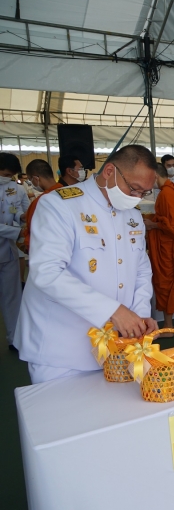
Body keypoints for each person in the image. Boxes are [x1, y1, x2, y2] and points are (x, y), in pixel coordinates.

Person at [16, 145, 158, 382]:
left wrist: (139, 315)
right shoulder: (60, 204)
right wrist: (113, 311)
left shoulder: (132, 215)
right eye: (134, 188)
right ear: (109, 171)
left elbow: (141, 269)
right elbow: (47, 272)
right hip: (63, 349)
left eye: (144, 193)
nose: (137, 198)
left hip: (117, 347)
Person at [144, 164, 174, 329]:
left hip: (168, 247)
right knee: (169, 283)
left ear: (154, 175)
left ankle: (168, 325)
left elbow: (171, 227)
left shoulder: (167, 193)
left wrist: (152, 224)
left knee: (166, 283)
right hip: (171, 243)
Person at [1, 153, 30, 348]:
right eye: (5, 174)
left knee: (12, 298)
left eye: (10, 175)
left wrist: (21, 217)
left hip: (8, 251)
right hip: (10, 237)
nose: (8, 178)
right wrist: (17, 231)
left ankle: (15, 339)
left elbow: (16, 210)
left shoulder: (16, 189)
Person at [21, 159, 60, 254]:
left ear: (36, 178)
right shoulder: (70, 193)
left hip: (48, 251)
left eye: (30, 179)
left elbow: (33, 232)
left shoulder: (40, 201)